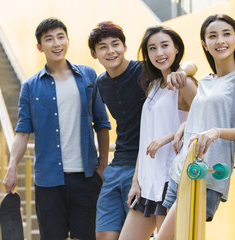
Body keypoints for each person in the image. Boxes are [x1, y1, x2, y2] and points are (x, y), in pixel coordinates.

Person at [3, 18, 111, 240]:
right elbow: (23, 131)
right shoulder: (30, 86)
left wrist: (103, 164)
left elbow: (102, 122)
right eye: (49, 39)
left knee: (88, 236)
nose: (56, 43)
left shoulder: (88, 75)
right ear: (40, 47)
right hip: (48, 180)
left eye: (60, 37)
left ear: (68, 40)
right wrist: (12, 166)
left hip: (87, 177)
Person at [88, 22, 197, 240]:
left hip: (170, 176)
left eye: (165, 46)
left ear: (176, 48)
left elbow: (204, 118)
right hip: (148, 177)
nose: (159, 53)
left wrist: (184, 71)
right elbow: (146, 136)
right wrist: (137, 181)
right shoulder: (153, 84)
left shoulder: (182, 81)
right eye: (152, 49)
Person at [156, 14, 235, 240]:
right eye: (213, 36)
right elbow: (191, 76)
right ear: (204, 43)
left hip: (205, 174)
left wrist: (217, 132)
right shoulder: (207, 81)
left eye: (226, 34)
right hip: (181, 169)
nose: (220, 40)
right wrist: (186, 125)